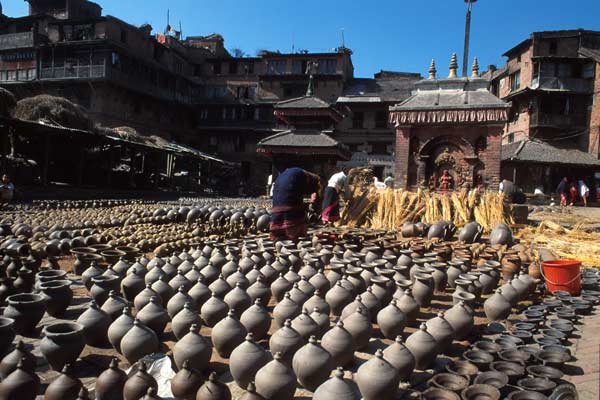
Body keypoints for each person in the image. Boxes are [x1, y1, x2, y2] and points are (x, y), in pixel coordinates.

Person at [269, 167, 323, 242]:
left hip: (276, 207)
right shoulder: (312, 179)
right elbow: (316, 196)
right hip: (289, 204)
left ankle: (280, 237)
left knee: (281, 237)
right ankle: (293, 238)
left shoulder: (294, 174)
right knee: (298, 232)